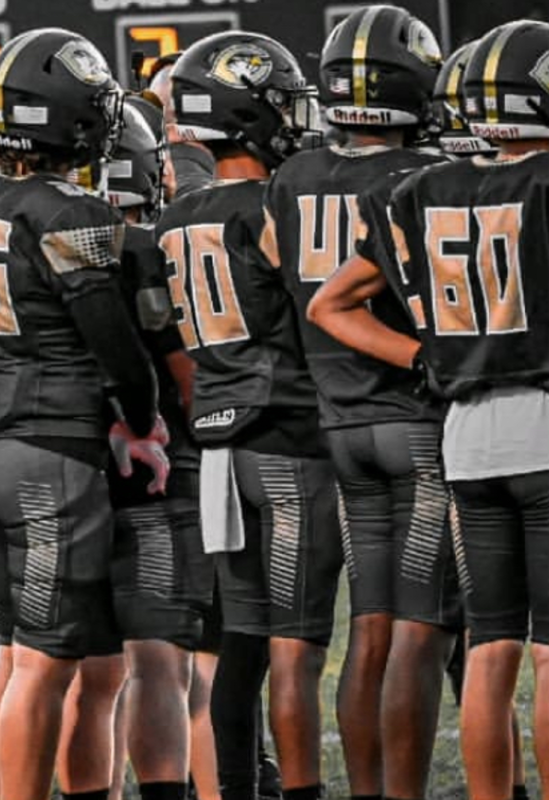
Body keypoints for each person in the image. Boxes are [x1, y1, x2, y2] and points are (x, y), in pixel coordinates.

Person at [308, 20, 549, 800]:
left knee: (490, 645)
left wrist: (429, 357)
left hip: (465, 439)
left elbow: (332, 303)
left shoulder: (423, 190)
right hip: (543, 428)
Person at [0, 27, 165, 800]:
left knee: (15, 651)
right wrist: (142, 419)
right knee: (41, 662)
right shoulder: (70, 213)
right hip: (44, 451)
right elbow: (116, 345)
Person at [260, 8, 458, 799]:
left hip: (339, 423)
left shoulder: (292, 178)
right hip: (415, 419)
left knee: (370, 628)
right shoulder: (423, 177)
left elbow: (283, 270)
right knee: (421, 627)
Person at [159, 31, 339, 800]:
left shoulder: (176, 216)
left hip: (220, 448)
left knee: (240, 643)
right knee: (295, 647)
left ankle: (234, 790)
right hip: (290, 436)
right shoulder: (277, 202)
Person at [100, 97, 214, 800]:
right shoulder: (145, 249)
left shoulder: (32, 232)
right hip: (155, 469)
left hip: (61, 467)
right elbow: (181, 369)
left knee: (71, 668)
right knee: (158, 663)